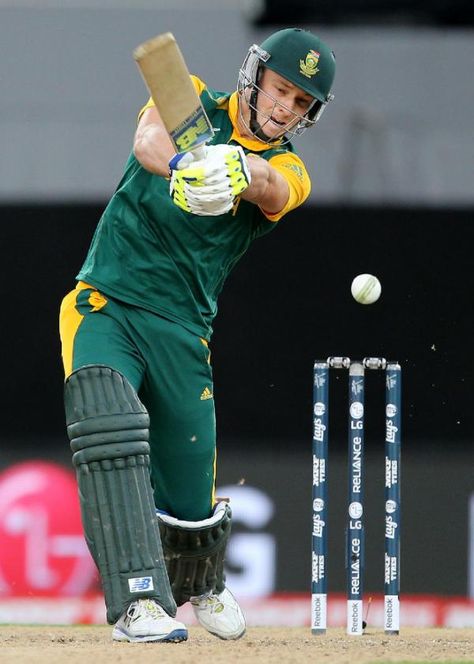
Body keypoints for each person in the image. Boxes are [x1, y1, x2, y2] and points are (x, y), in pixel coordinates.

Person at [59, 27, 335, 644]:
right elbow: (149, 137)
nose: (284, 107)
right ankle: (137, 605)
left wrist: (235, 171)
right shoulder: (192, 101)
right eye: (280, 90)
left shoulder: (288, 166)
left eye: (299, 102)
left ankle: (202, 583)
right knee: (110, 429)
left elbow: (274, 188)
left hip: (185, 331)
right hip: (107, 301)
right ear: (257, 76)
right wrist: (188, 162)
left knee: (189, 502)